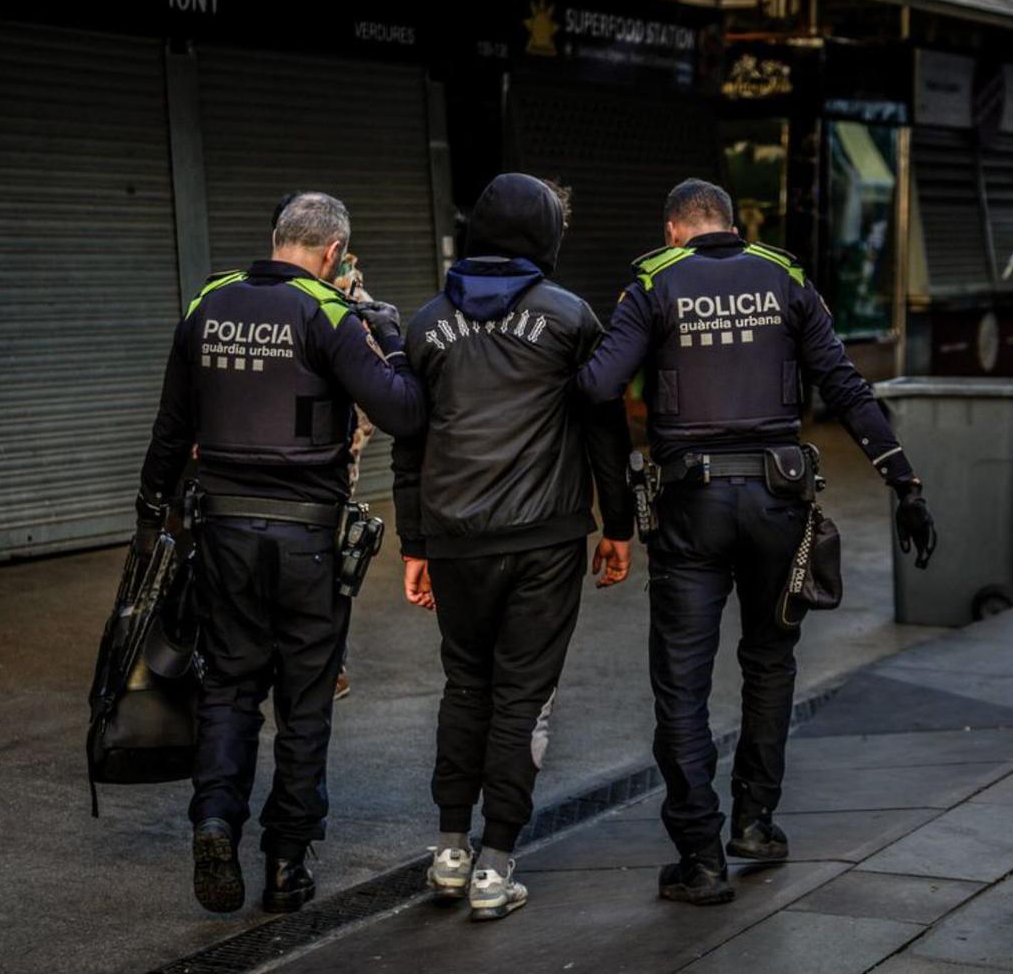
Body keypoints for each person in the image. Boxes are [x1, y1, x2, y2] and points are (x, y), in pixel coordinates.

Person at [576, 178, 936, 906]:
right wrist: (903, 481)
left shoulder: (653, 280)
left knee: (682, 680)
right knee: (770, 661)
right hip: (781, 502)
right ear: (731, 225)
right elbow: (842, 382)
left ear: (674, 228)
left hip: (690, 507)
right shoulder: (786, 275)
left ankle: (700, 855)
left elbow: (597, 386)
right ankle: (757, 822)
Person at [137, 192, 424, 915]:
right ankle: (286, 863)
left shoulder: (208, 301)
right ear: (334, 254)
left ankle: (213, 821)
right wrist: (385, 334)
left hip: (223, 534)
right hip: (306, 540)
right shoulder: (326, 312)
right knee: (304, 702)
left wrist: (150, 519)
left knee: (229, 686)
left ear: (277, 240)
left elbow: (171, 429)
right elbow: (401, 409)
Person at [393, 173, 634, 922]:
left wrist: (414, 541)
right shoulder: (569, 317)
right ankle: (497, 862)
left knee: (465, 684)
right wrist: (620, 526)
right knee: (522, 695)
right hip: (544, 540)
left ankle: (449, 849)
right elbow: (606, 429)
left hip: (456, 539)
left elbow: (410, 441)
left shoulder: (429, 324)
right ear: (543, 236)